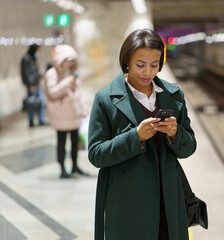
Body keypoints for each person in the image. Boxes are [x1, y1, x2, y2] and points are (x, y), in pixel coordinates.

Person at [88, 28, 197, 240]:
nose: (147, 72)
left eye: (154, 65)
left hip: (169, 201)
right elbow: (96, 154)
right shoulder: (106, 99)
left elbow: (189, 147)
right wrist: (134, 137)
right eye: (140, 65)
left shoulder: (173, 95)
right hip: (128, 205)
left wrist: (176, 133)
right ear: (127, 61)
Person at [44, 44, 89, 179]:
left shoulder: (72, 73)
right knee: (62, 142)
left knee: (75, 142)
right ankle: (62, 168)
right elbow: (52, 92)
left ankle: (75, 166)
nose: (69, 63)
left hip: (73, 115)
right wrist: (68, 82)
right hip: (61, 115)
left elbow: (78, 94)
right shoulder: (51, 74)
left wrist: (83, 109)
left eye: (71, 60)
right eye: (67, 60)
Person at [21, 43, 46, 127]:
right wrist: (31, 84)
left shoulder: (32, 58)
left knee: (39, 102)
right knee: (32, 103)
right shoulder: (27, 59)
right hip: (32, 85)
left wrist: (40, 76)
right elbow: (28, 73)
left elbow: (34, 71)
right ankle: (32, 121)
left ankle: (40, 120)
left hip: (35, 83)